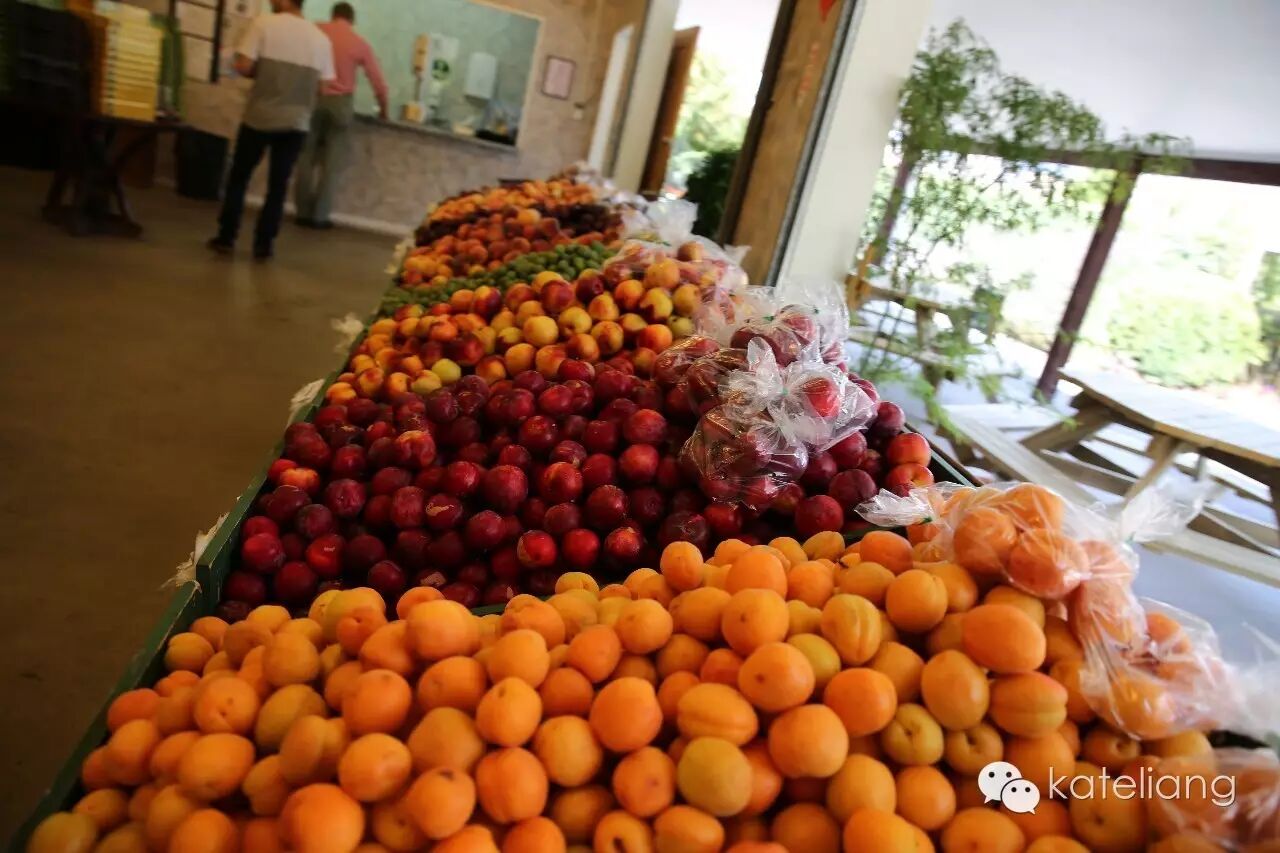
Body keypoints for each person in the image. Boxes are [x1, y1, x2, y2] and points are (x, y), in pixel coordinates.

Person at [208, 0, 334, 260]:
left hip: (260, 117)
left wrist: (265, 72)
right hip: (296, 123)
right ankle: (264, 246)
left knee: (240, 177)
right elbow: (324, 88)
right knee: (278, 185)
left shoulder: (264, 24)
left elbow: (243, 66)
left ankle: (226, 237)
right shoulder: (321, 39)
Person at [294, 2, 388, 229]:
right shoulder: (359, 43)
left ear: (333, 15)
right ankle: (319, 217)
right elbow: (378, 81)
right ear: (352, 20)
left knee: (305, 157)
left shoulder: (316, 31)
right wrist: (384, 109)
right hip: (340, 104)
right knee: (332, 164)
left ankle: (302, 213)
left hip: (313, 96)